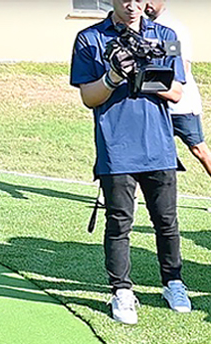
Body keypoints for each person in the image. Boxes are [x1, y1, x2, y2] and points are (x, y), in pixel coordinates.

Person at [70, 0, 191, 325]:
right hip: (116, 146)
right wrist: (112, 76)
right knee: (119, 222)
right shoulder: (89, 38)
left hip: (158, 145)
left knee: (166, 221)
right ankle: (121, 290)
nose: (133, 4)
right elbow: (88, 97)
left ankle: (173, 282)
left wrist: (141, 73)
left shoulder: (164, 35)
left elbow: (178, 92)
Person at [144, 0, 211, 214]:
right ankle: (130, 194)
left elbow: (181, 71)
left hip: (181, 106)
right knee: (147, 148)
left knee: (198, 148)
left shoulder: (173, 29)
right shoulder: (144, 28)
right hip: (156, 104)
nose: (146, 4)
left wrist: (143, 81)